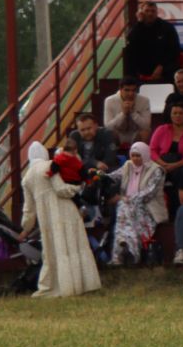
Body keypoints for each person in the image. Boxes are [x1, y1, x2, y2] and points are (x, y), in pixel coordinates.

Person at [20, 140, 102, 298]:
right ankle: (82, 284)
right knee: (73, 245)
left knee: (54, 249)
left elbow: (29, 210)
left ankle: (57, 286)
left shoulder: (26, 178)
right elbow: (61, 189)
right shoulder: (50, 166)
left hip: (47, 218)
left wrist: (26, 228)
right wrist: (78, 188)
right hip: (65, 210)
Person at [110, 141, 165, 265]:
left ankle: (122, 253)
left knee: (123, 210)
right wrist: (100, 176)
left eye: (138, 155)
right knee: (124, 209)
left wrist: (127, 199)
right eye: (133, 155)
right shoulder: (128, 165)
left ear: (145, 155)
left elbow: (149, 193)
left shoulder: (156, 170)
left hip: (148, 208)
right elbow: (114, 176)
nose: (135, 158)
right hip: (127, 206)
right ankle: (128, 251)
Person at [149, 100, 183, 213]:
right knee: (155, 174)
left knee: (182, 175)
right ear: (170, 115)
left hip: (181, 165)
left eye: (181, 113)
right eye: (175, 113)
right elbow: (152, 150)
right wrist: (163, 164)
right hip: (162, 163)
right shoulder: (161, 130)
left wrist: (174, 165)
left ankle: (179, 210)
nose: (177, 116)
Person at [123, 1, 181, 84]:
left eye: (153, 11)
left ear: (157, 13)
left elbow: (175, 50)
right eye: (147, 11)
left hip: (164, 66)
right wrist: (139, 22)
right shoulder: (137, 28)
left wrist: (161, 66)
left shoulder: (167, 27)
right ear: (141, 13)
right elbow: (130, 43)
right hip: (143, 66)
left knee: (173, 68)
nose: (150, 14)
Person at [103, 79, 153, 149]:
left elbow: (146, 125)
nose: (130, 93)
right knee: (108, 132)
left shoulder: (144, 100)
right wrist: (123, 114)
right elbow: (108, 126)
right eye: (127, 90)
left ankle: (140, 155)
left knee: (146, 132)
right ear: (120, 89)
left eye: (133, 90)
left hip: (136, 133)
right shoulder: (110, 101)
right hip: (118, 133)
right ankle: (112, 156)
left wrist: (133, 112)